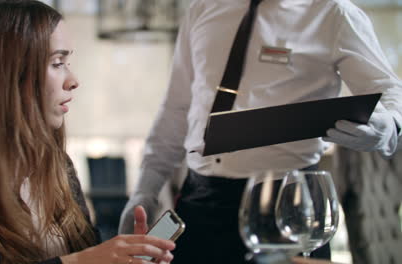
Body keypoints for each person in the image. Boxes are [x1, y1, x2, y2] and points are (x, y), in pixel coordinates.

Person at [119, 0, 402, 263]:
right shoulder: (202, 7)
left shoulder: (333, 13)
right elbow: (176, 109)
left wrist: (389, 127)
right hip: (200, 199)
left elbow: (391, 92)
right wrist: (146, 189)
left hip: (290, 203)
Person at [0, 1, 176, 264]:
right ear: (9, 73)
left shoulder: (59, 167)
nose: (73, 80)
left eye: (67, 62)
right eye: (58, 62)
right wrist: (82, 261)